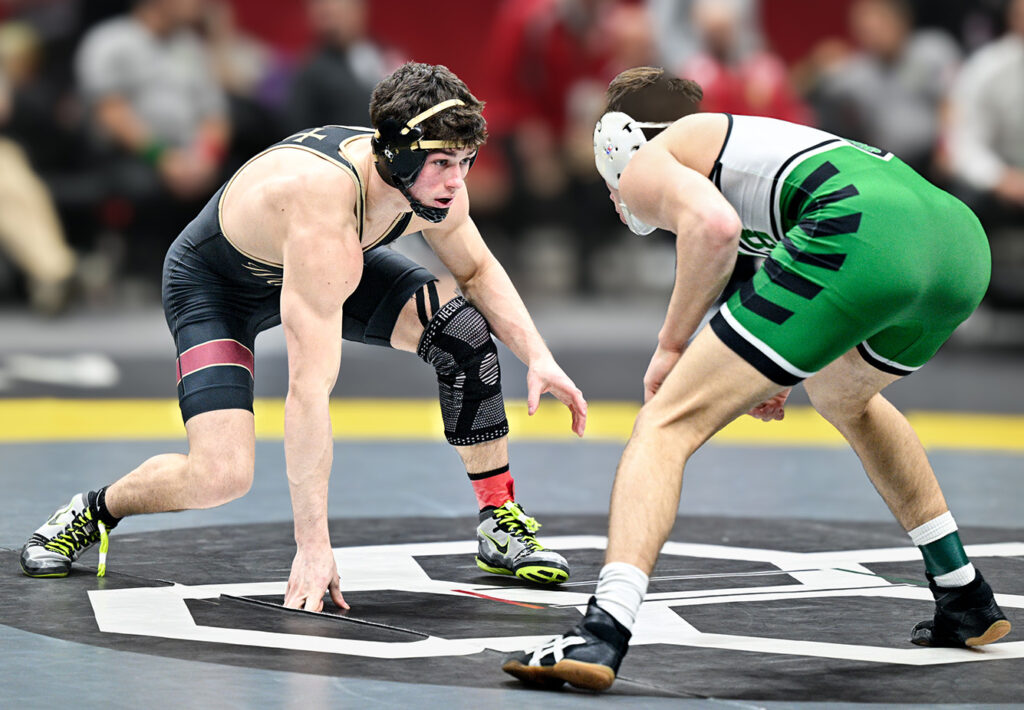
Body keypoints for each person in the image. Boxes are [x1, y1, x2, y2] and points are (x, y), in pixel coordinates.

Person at [502, 66, 1011, 691]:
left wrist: (670, 345)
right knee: (843, 394)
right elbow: (757, 262)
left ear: (619, 138)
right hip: (959, 245)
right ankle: (964, 595)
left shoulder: (650, 159)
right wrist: (771, 369)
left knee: (665, 423)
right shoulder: (746, 143)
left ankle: (602, 631)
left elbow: (713, 231)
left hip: (861, 231)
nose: (616, 192)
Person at [20, 62, 588, 609]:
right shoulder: (322, 207)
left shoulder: (431, 186)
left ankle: (499, 518)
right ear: (396, 152)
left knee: (462, 336)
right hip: (218, 285)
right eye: (442, 161)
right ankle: (93, 510)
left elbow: (478, 270)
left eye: (466, 160)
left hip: (326, 261)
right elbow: (308, 392)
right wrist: (313, 548)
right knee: (220, 476)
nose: (457, 180)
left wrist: (538, 355)